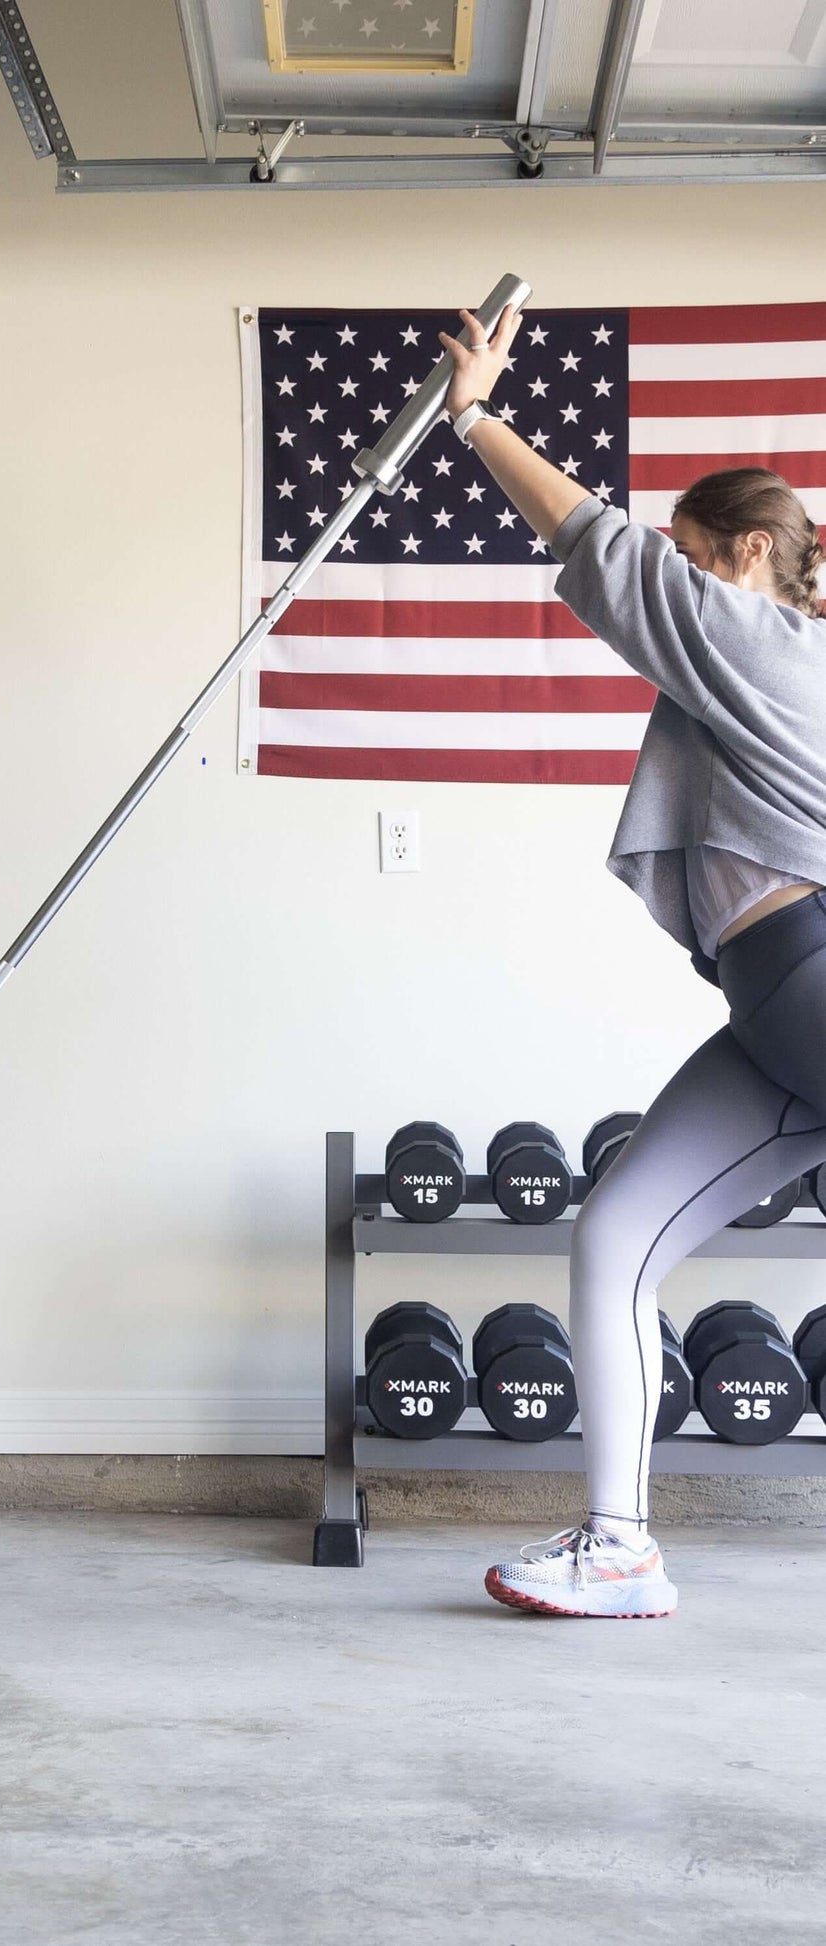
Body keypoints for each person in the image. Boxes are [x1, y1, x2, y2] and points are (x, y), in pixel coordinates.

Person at [437, 304, 826, 1618]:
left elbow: (597, 549)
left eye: (692, 557)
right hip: (773, 1007)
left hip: (813, 969)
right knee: (613, 1236)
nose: (674, 576)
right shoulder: (747, 663)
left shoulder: (771, 643)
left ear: (751, 554)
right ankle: (618, 1548)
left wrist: (476, 416)